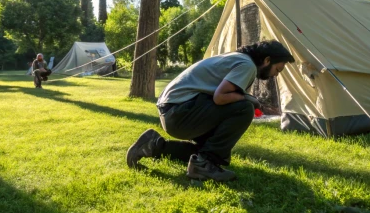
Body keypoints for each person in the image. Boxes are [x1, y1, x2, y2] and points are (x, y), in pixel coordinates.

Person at [126, 40, 295, 182]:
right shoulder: (247, 65)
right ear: (267, 60)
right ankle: (203, 165)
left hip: (173, 112)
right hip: (179, 113)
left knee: (206, 150)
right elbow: (220, 97)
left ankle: (153, 146)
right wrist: (247, 99)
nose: (275, 75)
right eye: (277, 70)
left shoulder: (236, 58)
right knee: (244, 109)